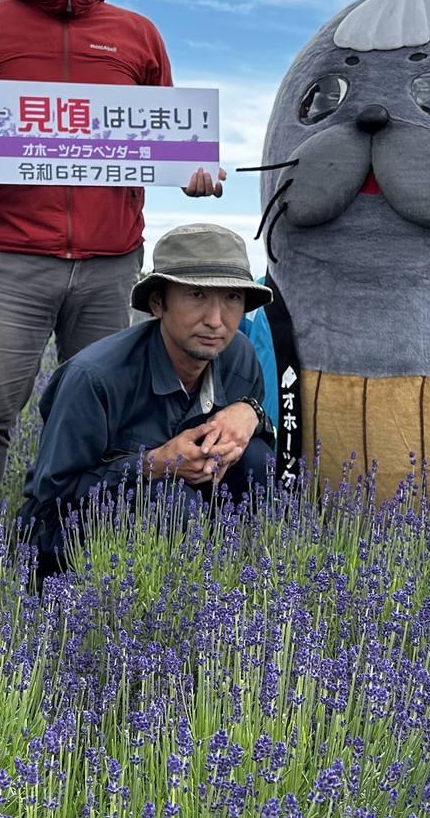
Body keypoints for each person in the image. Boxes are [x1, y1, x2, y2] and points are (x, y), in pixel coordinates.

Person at [0, 0, 226, 522]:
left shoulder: (139, 36)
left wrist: (192, 169)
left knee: (113, 416)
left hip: (113, 266)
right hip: (15, 259)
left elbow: (168, 140)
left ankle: (80, 545)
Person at [18, 224, 275, 577]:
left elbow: (253, 440)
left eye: (232, 297)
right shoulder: (95, 377)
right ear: (158, 303)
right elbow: (52, 496)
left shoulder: (239, 356)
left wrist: (251, 412)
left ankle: (240, 580)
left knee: (257, 459)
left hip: (183, 518)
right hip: (71, 536)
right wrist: (152, 465)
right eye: (197, 295)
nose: (216, 321)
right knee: (169, 503)